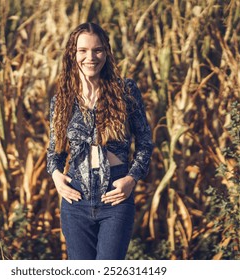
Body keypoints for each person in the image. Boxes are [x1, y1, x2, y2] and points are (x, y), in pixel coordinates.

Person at [47, 22, 154, 260]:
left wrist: (131, 179)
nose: (90, 57)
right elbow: (55, 151)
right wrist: (56, 177)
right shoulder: (62, 99)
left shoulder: (125, 90)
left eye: (97, 50)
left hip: (115, 197)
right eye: (83, 50)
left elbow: (145, 142)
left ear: (106, 52)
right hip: (76, 200)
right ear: (73, 54)